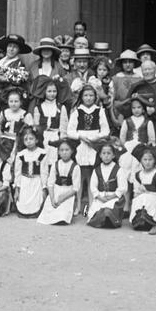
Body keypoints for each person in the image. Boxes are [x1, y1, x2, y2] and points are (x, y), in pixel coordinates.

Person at [67, 83, 110, 215]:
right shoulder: (77, 112)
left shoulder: (100, 111)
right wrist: (81, 136)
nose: (89, 98)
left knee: (92, 178)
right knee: (79, 177)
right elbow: (70, 131)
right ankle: (78, 204)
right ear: (81, 97)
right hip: (81, 145)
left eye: (91, 95)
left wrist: (95, 137)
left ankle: (92, 204)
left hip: (94, 146)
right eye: (86, 95)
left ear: (95, 97)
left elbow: (106, 131)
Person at [38, 139, 81, 225]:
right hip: (56, 190)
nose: (64, 152)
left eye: (67, 150)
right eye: (62, 150)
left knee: (62, 214)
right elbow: (50, 183)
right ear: (58, 152)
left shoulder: (75, 167)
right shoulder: (55, 165)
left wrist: (62, 198)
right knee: (49, 211)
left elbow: (75, 188)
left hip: (68, 192)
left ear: (72, 151)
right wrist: (52, 197)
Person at [118, 94, 156, 185]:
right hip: (128, 149)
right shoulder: (127, 121)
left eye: (139, 107)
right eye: (134, 108)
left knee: (139, 170)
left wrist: (148, 148)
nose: (136, 110)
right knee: (126, 168)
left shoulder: (148, 122)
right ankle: (127, 191)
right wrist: (124, 148)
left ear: (143, 109)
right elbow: (122, 137)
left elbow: (152, 139)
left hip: (141, 148)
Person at [87, 140, 127, 229]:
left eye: (109, 153)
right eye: (104, 153)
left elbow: (123, 187)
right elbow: (93, 186)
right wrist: (99, 197)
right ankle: (102, 220)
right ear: (100, 155)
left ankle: (109, 219)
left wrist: (112, 196)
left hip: (114, 198)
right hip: (101, 197)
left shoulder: (118, 169)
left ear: (113, 155)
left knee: (107, 211)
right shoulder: (96, 170)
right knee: (96, 212)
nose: (106, 156)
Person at [129, 147, 156, 235]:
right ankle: (140, 220)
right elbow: (135, 194)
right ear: (141, 161)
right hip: (143, 199)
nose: (147, 162)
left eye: (150, 159)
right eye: (145, 159)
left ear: (154, 160)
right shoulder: (138, 175)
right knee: (140, 198)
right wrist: (140, 191)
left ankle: (155, 223)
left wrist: (148, 193)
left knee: (147, 197)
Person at [30, 79, 69, 167]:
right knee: (42, 162)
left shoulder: (61, 107)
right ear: (44, 92)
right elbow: (36, 126)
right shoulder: (38, 107)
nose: (52, 94)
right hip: (42, 138)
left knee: (54, 163)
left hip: (55, 138)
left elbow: (64, 127)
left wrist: (62, 141)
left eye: (54, 91)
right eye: (49, 91)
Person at [13, 126, 50, 218]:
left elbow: (44, 172)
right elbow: (17, 172)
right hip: (25, 181)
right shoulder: (21, 154)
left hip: (36, 182)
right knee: (23, 202)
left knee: (37, 201)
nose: (28, 141)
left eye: (31, 138)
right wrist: (17, 188)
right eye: (26, 139)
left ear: (36, 140)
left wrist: (44, 187)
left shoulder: (42, 153)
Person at [0, 87, 33, 161]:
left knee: (16, 159)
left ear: (21, 102)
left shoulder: (24, 114)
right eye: (11, 101)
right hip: (5, 139)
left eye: (16, 101)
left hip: (18, 141)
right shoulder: (5, 112)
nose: (13, 104)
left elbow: (31, 127)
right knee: (3, 158)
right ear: (7, 101)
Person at [111, 49, 142, 129]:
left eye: (130, 62)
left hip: (135, 111)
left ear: (134, 63)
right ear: (121, 64)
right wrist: (113, 116)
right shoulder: (115, 78)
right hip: (119, 111)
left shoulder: (139, 79)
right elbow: (111, 99)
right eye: (125, 62)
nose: (128, 65)